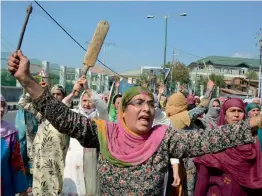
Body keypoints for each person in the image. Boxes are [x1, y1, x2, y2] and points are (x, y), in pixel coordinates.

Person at [7, 50, 261, 195]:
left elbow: (208, 139)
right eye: (138, 103)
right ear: (123, 109)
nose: (147, 109)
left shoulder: (163, 138)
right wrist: (27, 79)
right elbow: (62, 117)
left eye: (151, 104)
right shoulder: (103, 133)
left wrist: (254, 121)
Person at [194, 98, 262, 196]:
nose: (236, 115)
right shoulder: (214, 140)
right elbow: (202, 178)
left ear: (244, 115)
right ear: (225, 115)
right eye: (232, 111)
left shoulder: (252, 142)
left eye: (240, 111)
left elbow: (258, 174)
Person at [18, 83, 69, 196]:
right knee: (40, 182)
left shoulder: (68, 115)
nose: (55, 96)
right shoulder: (43, 112)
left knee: (56, 183)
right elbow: (23, 103)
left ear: (63, 96)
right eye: (53, 94)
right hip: (41, 154)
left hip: (57, 155)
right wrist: (34, 88)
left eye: (58, 94)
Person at [62, 78, 108, 196]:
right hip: (74, 160)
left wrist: (87, 88)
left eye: (90, 101)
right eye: (84, 100)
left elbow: (103, 107)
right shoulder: (73, 114)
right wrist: (73, 93)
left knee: (90, 190)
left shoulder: (99, 117)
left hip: (93, 159)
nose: (87, 104)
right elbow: (61, 108)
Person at [1, 94, 28, 196]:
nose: (1, 109)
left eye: (3, 105)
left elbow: (16, 161)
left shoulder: (10, 132)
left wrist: (23, 188)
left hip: (5, 186)